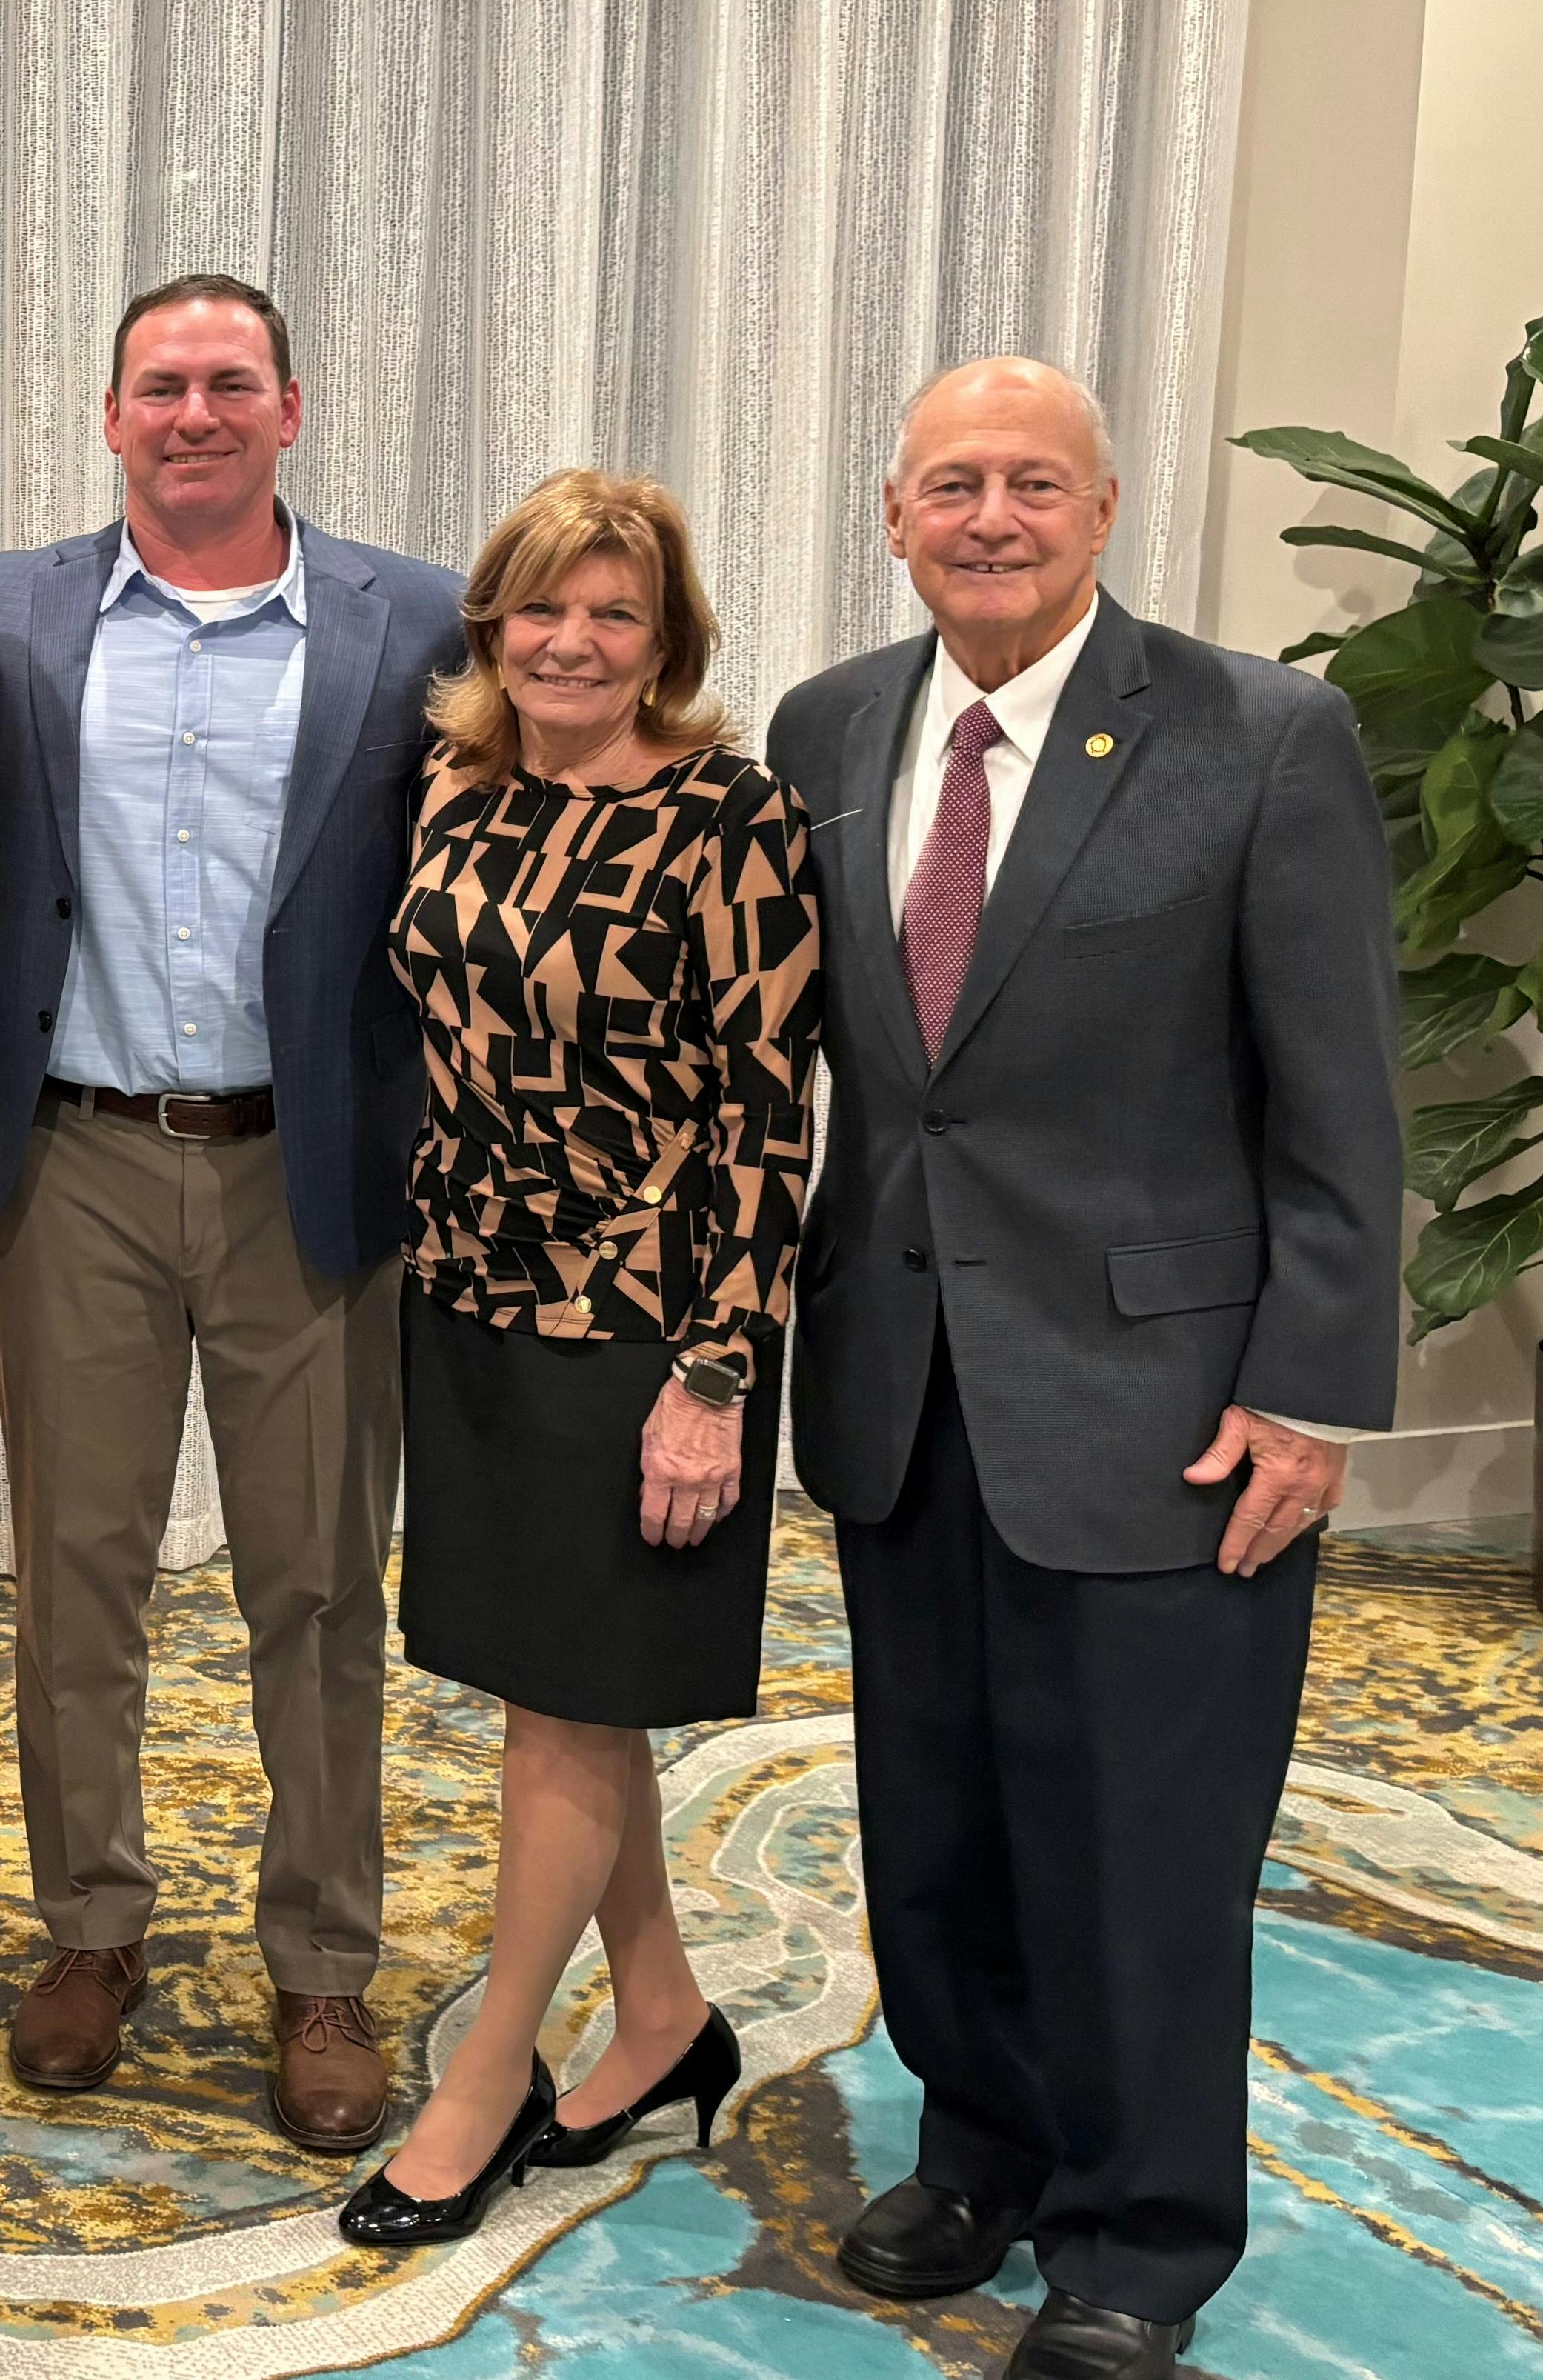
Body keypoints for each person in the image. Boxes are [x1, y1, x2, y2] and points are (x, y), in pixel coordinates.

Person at [772, 358, 1398, 2380]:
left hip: (1167, 1402)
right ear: (894, 514)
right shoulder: (828, 727)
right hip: (902, 1379)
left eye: (1034, 483)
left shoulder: (1261, 735)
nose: (992, 517)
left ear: (1106, 509)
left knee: (1142, 1842)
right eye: (952, 483)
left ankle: (1139, 2237)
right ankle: (983, 2148)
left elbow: (1341, 1094)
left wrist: (1309, 1389)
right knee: (936, 1816)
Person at [0, 274, 464, 2150]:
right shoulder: (3, 610)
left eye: (230, 382)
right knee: (75, 1570)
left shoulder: (415, 618)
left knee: (314, 1581)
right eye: (160, 384)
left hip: (305, 1166)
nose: (194, 413)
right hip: (75, 1152)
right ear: (111, 416)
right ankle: (92, 1926)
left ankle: (322, 1959)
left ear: (290, 408)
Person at [336, 470, 821, 2248]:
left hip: (639, 1325)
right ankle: (668, 2012)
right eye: (544, 606)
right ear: (495, 623)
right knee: (570, 1692)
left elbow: (769, 1117)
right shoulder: (458, 784)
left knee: (563, 1706)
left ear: (667, 638)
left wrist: (717, 1375)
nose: (574, 641)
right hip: (468, 1293)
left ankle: (490, 2077)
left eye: (616, 612)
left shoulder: (732, 818)